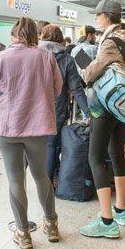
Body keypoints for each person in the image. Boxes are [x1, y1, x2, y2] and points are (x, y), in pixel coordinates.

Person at [0, 17, 61, 249]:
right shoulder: (46, 56)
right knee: (41, 176)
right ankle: (51, 225)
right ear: (35, 36)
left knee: (16, 180)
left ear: (13, 35)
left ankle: (23, 233)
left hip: (8, 127)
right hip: (38, 127)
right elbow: (57, 89)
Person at [79, 0, 125, 239]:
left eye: (97, 15)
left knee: (95, 158)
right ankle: (121, 210)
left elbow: (90, 74)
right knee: (117, 154)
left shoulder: (109, 41)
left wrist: (82, 68)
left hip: (105, 105)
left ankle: (106, 221)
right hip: (122, 106)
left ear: (107, 16)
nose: (95, 19)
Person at [39, 24, 91, 182]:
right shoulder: (67, 59)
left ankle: (43, 179)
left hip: (34, 107)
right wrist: (89, 112)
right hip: (57, 107)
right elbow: (76, 89)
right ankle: (48, 183)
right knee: (52, 146)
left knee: (36, 146)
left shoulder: (35, 55)